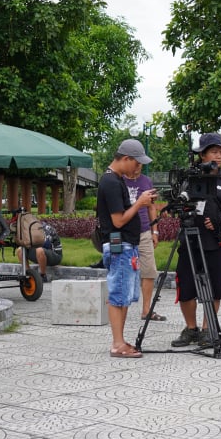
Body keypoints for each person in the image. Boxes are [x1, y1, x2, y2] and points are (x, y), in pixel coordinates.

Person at [170, 132, 221, 349]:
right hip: (190, 238)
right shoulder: (188, 178)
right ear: (202, 154)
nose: (218, 156)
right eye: (214, 151)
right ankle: (191, 329)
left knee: (214, 287)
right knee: (186, 287)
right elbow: (177, 203)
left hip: (216, 242)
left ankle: (207, 329)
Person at [97, 139, 160, 359]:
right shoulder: (111, 183)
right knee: (118, 294)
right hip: (119, 244)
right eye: (136, 163)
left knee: (124, 294)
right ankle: (117, 344)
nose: (138, 168)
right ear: (125, 159)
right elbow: (119, 221)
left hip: (126, 245)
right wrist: (140, 203)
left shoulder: (116, 180)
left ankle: (121, 340)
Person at [123, 158, 162, 321]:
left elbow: (152, 207)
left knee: (149, 271)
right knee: (122, 271)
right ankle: (119, 309)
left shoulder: (146, 181)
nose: (139, 166)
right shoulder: (118, 180)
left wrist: (155, 231)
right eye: (136, 162)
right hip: (124, 232)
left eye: (141, 163)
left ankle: (146, 310)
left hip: (144, 231)